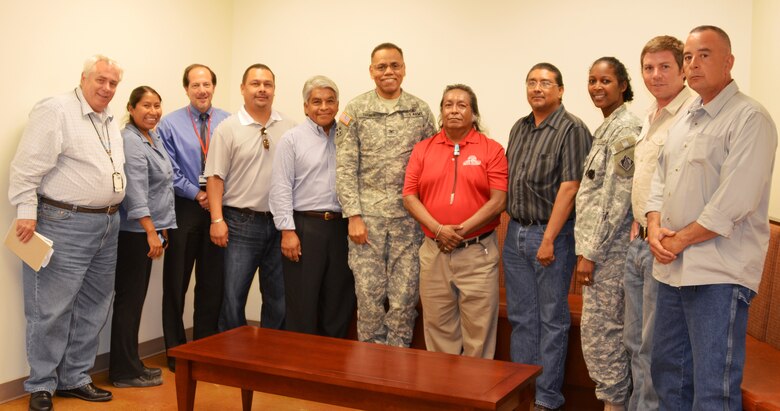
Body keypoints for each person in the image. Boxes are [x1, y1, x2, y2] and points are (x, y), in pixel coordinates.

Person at [646, 25, 777, 410]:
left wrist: (677, 240)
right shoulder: (687, 115)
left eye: (704, 55)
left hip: (719, 274)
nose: (693, 63)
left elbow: (733, 202)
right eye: (688, 56)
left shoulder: (750, 118)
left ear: (729, 62)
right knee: (668, 376)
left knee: (711, 388)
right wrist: (654, 226)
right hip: (671, 270)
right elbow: (659, 177)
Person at [9, 55, 125, 411]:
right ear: (83, 78)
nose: (106, 88)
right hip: (63, 222)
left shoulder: (107, 119)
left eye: (113, 83)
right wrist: (27, 213)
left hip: (107, 223)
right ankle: (41, 384)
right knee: (50, 308)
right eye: (100, 80)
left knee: (94, 305)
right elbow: (26, 168)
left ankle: (75, 377)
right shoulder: (56, 110)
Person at [503, 63, 592, 411]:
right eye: (531, 82)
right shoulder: (520, 127)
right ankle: (520, 391)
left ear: (560, 90)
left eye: (545, 83)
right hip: (515, 235)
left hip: (550, 236)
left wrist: (549, 238)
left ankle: (546, 399)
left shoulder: (572, 129)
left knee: (551, 320)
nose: (537, 88)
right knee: (521, 318)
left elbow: (571, 187)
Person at [336, 42, 437, 347]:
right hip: (367, 225)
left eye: (394, 65)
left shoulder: (420, 111)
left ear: (404, 69)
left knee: (404, 302)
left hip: (409, 224)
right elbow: (344, 167)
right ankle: (370, 375)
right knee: (368, 300)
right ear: (371, 72)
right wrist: (353, 215)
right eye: (382, 67)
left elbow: (433, 165)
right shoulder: (356, 110)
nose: (388, 72)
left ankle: (397, 373)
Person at [403, 84, 507, 358]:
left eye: (462, 105)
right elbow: (409, 196)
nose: (454, 110)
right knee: (438, 330)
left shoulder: (491, 149)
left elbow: (498, 201)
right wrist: (439, 230)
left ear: (473, 114)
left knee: (479, 335)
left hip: (477, 254)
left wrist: (458, 231)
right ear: (441, 112)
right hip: (434, 251)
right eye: (448, 104)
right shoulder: (423, 149)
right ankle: (444, 395)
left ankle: (476, 398)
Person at [623, 36, 695, 411]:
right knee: (634, 343)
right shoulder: (651, 114)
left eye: (665, 66)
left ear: (683, 69)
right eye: (648, 68)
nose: (655, 75)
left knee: (656, 348)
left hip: (665, 246)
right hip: (639, 239)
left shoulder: (691, 114)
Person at [206, 64, 295, 331]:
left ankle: (270, 359)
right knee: (233, 297)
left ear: (274, 90)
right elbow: (214, 177)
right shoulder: (228, 128)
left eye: (267, 84)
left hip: (280, 224)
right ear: (243, 89)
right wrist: (217, 219)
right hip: (240, 224)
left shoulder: (290, 127)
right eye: (255, 84)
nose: (262, 89)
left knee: (279, 299)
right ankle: (233, 361)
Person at [575, 56, 641, 411]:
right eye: (592, 80)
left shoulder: (625, 130)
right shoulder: (607, 127)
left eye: (606, 81)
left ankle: (615, 406)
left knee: (604, 336)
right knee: (602, 335)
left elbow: (616, 200)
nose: (597, 88)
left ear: (623, 86)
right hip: (602, 253)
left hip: (610, 255)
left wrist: (591, 254)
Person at [269, 75, 355, 337]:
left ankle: (331, 369)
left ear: (338, 104)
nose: (324, 107)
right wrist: (287, 230)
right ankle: (301, 369)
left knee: (338, 302)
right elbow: (280, 186)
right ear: (306, 106)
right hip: (305, 228)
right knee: (303, 303)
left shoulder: (348, 138)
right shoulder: (292, 139)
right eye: (316, 101)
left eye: (330, 101)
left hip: (341, 227)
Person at [157, 64, 229, 370]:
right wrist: (198, 194)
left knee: (213, 283)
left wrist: (215, 201)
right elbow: (167, 170)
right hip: (184, 208)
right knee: (176, 283)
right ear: (186, 89)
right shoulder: (169, 124)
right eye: (195, 85)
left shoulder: (229, 122)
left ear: (214, 87)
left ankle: (204, 348)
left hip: (220, 209)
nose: (202, 90)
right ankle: (176, 352)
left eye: (207, 84)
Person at [109, 86, 176, 388]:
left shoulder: (152, 136)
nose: (153, 111)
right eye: (146, 105)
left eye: (157, 105)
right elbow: (135, 190)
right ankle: (123, 371)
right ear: (132, 108)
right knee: (129, 301)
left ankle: (132, 363)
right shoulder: (131, 140)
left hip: (148, 229)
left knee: (135, 301)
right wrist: (151, 230)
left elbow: (160, 186)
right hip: (134, 233)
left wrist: (161, 226)